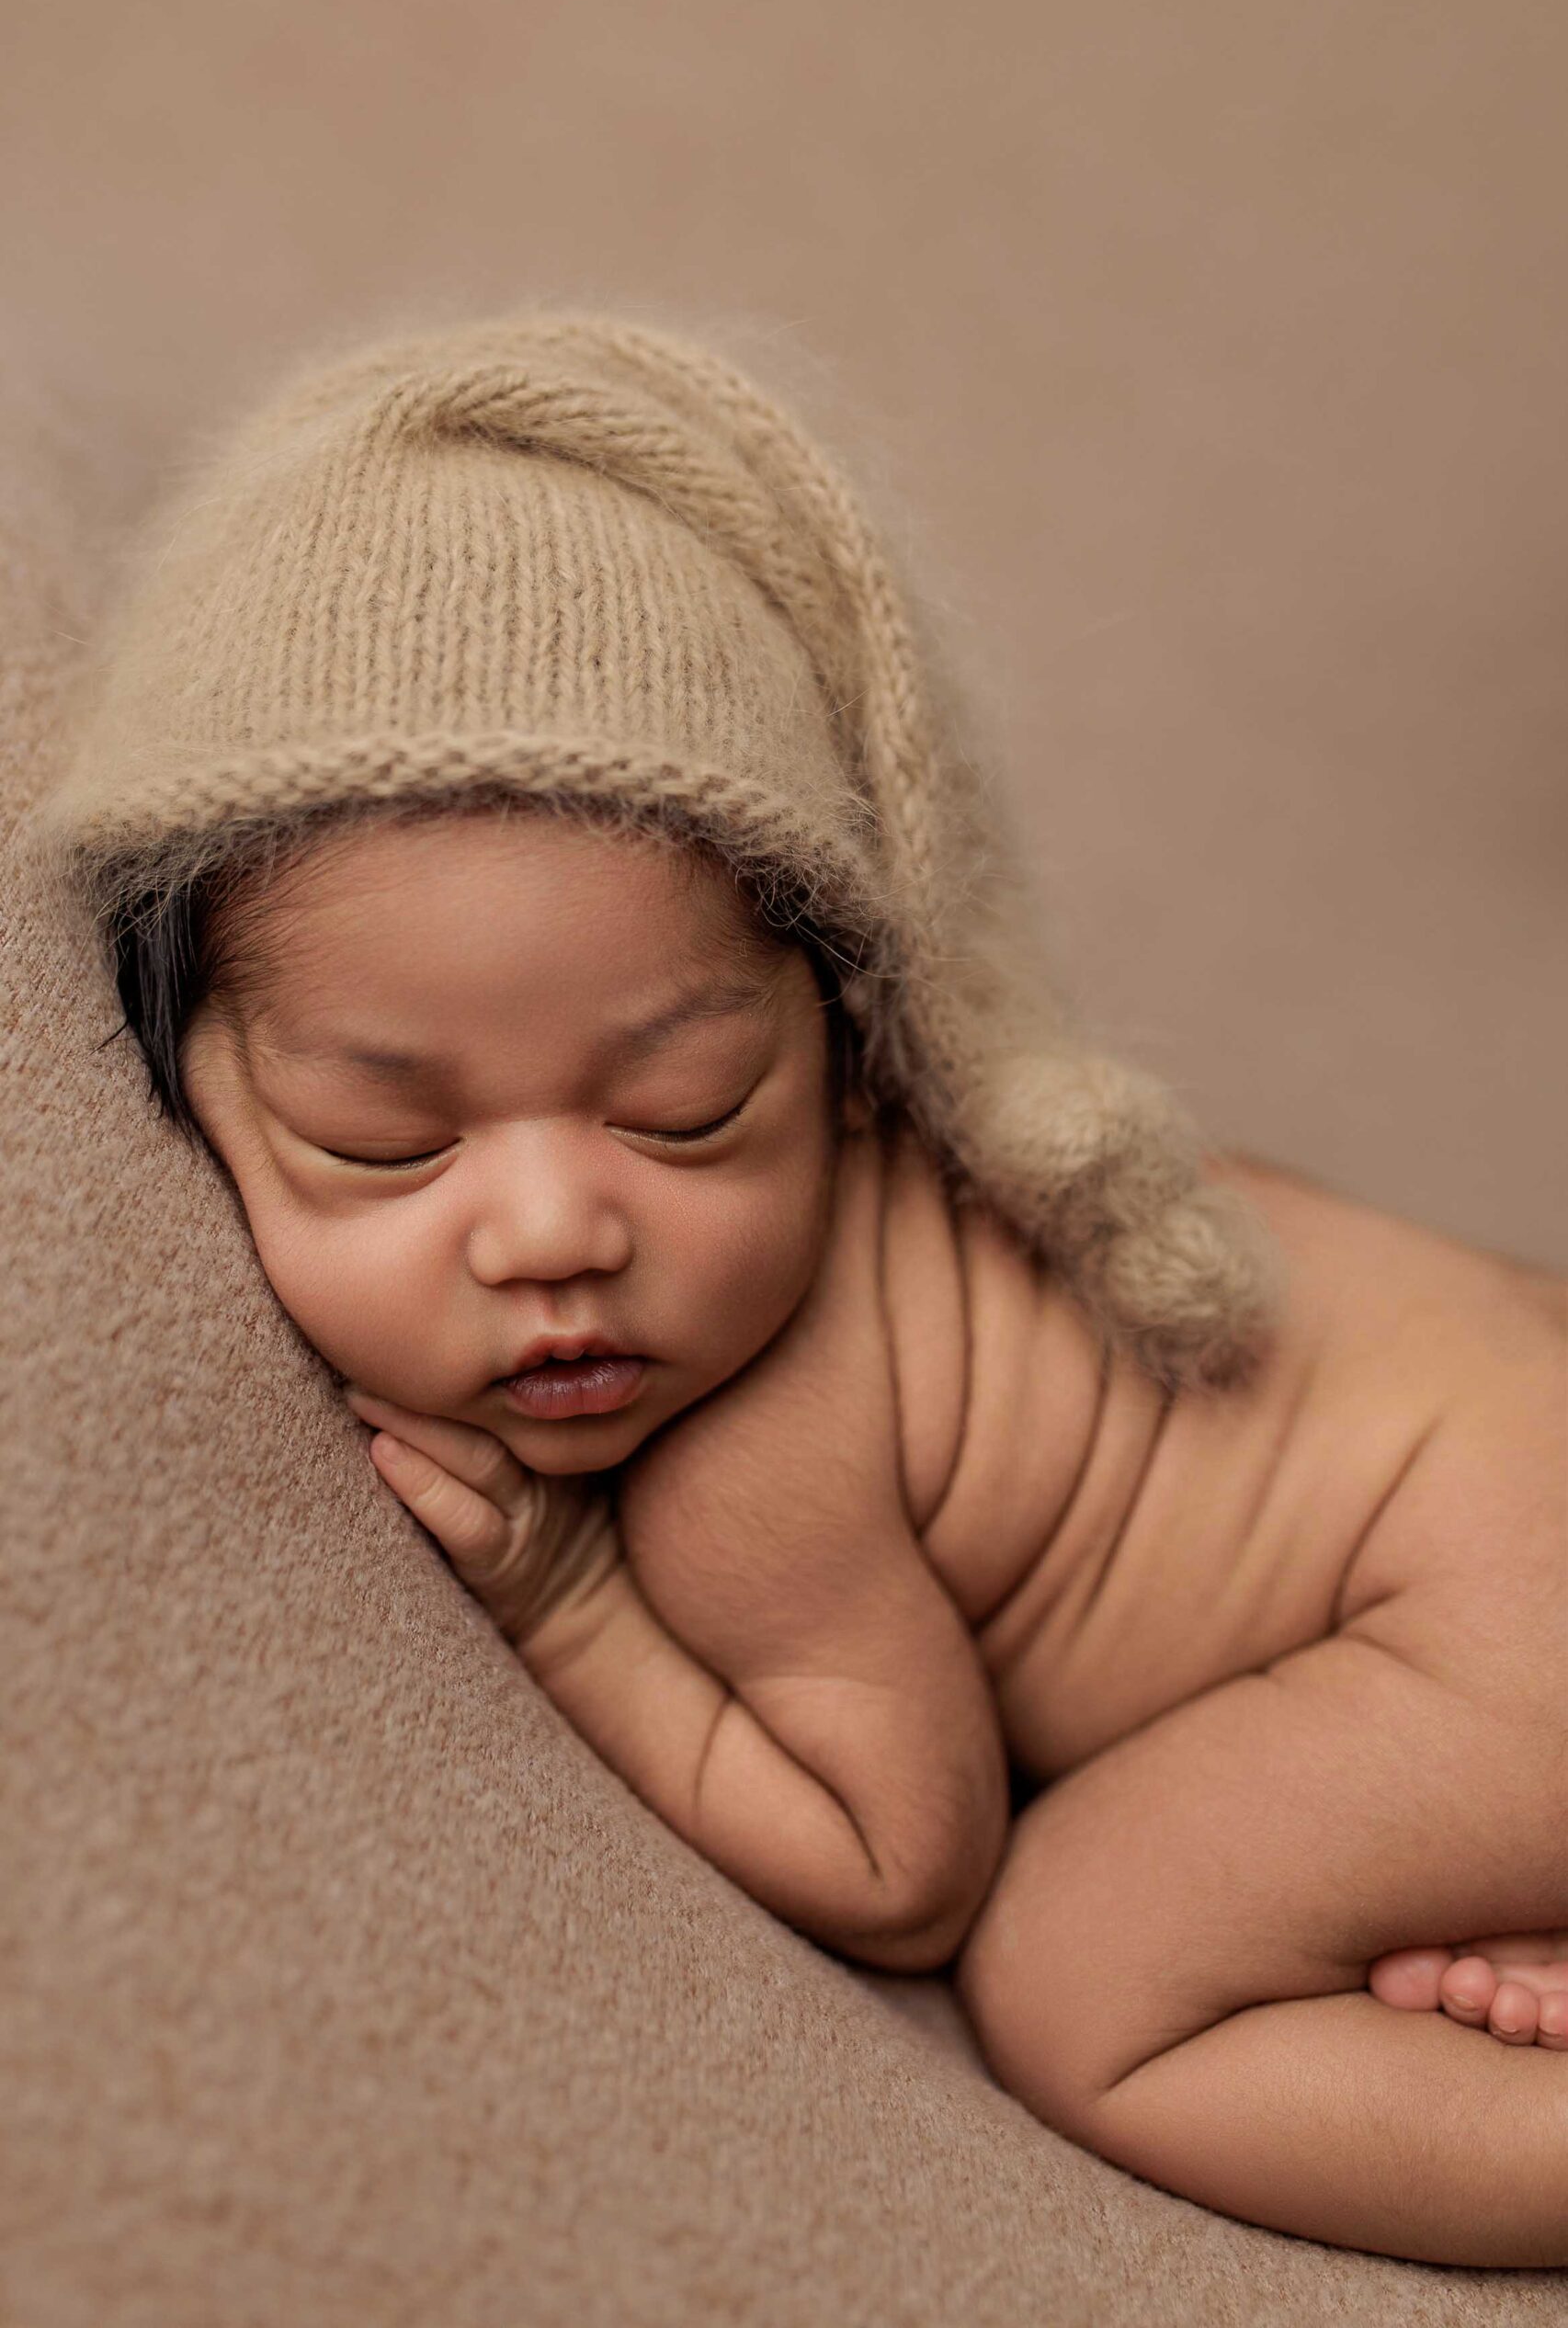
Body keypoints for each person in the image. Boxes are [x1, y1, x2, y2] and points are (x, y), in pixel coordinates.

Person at [28, 306, 1566, 2267]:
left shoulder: (746, 1458)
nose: (552, 1231)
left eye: (685, 1113)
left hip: (1482, 1603)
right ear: (191, 1087)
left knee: (1085, 1978)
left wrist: (574, 1605)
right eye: (385, 1140)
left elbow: (902, 1866)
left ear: (855, 1059)